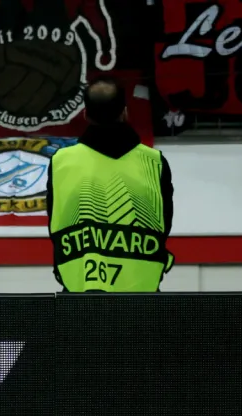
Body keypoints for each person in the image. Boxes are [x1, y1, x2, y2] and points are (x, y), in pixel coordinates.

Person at [46, 75, 175, 293]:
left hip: (79, 296)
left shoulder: (61, 163)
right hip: (143, 297)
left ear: (86, 114)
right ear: (125, 112)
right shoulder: (155, 163)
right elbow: (165, 224)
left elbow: (54, 222)